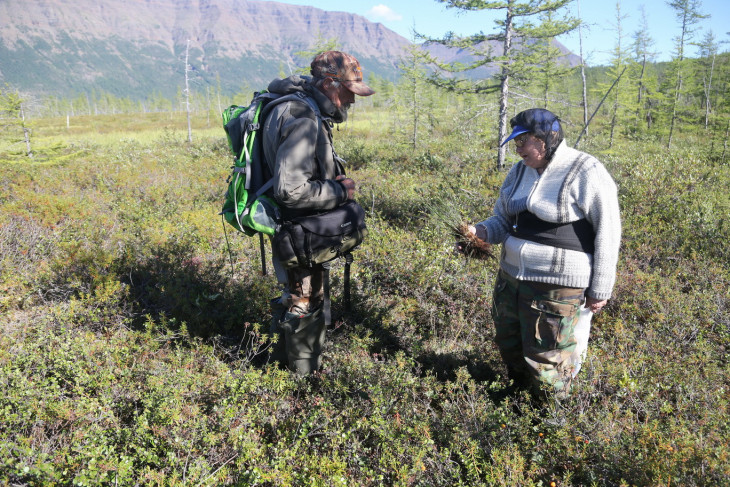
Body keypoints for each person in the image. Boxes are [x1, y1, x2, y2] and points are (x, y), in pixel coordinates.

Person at [466, 108, 621, 399]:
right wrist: (479, 232)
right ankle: (519, 408)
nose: (518, 148)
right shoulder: (519, 171)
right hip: (510, 279)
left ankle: (549, 423)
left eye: (523, 141)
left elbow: (608, 231)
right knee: (509, 344)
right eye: (516, 142)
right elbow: (502, 220)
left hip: (557, 288)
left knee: (549, 361)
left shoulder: (585, 170)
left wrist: (600, 288)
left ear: (546, 138)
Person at [261, 51, 375, 375]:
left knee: (293, 298)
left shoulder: (298, 106)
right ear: (328, 83)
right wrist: (341, 191)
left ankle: (277, 372)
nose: (352, 101)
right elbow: (291, 189)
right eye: (349, 92)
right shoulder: (302, 117)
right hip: (300, 232)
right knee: (304, 303)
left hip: (296, 231)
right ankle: (301, 385)